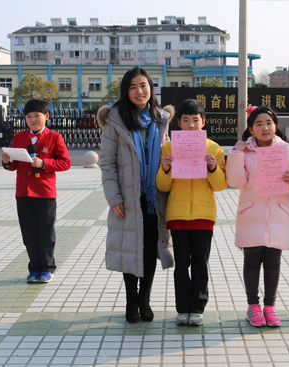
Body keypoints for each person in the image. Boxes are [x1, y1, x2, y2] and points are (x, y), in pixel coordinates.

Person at [98, 66, 174, 323]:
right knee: (130, 248)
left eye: (143, 85)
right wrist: (114, 198)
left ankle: (145, 300)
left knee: (150, 247)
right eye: (132, 87)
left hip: (154, 199)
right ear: (126, 91)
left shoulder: (160, 119)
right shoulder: (115, 120)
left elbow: (166, 155)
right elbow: (106, 163)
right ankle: (132, 300)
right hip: (128, 199)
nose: (139, 91)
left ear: (150, 88)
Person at [226, 106, 289, 327]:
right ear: (251, 129)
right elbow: (235, 181)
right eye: (259, 124)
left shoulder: (286, 151)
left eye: (269, 123)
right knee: (251, 261)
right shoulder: (244, 151)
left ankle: (270, 307)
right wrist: (235, 153)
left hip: (278, 214)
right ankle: (253, 306)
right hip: (252, 213)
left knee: (273, 262)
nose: (265, 127)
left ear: (275, 127)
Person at [156, 99, 227, 326]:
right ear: (178, 123)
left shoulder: (214, 149)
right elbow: (163, 186)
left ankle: (197, 308)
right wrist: (165, 169)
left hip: (204, 215)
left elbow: (221, 185)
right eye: (185, 120)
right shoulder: (167, 148)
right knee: (181, 266)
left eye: (195, 120)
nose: (190, 125)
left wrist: (213, 168)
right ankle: (182, 308)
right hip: (177, 215)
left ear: (203, 122)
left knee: (200, 263)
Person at [1, 99, 71, 284]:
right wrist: (7, 161)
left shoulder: (55, 137)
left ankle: (47, 268)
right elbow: (13, 166)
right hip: (23, 193)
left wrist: (43, 163)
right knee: (29, 233)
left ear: (46, 117)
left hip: (45, 193)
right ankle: (34, 269)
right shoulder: (19, 138)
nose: (33, 120)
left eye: (37, 116)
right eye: (29, 117)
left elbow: (65, 163)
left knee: (46, 232)